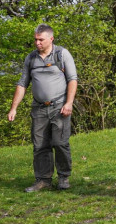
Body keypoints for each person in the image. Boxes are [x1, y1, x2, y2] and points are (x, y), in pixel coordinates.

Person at [7, 24, 78, 192]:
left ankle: (63, 177)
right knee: (40, 145)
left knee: (60, 143)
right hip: (38, 109)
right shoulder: (31, 58)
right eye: (35, 39)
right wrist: (13, 108)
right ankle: (43, 179)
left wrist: (69, 103)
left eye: (41, 40)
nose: (37, 43)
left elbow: (72, 79)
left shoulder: (62, 54)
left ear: (51, 39)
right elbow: (22, 83)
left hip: (59, 106)